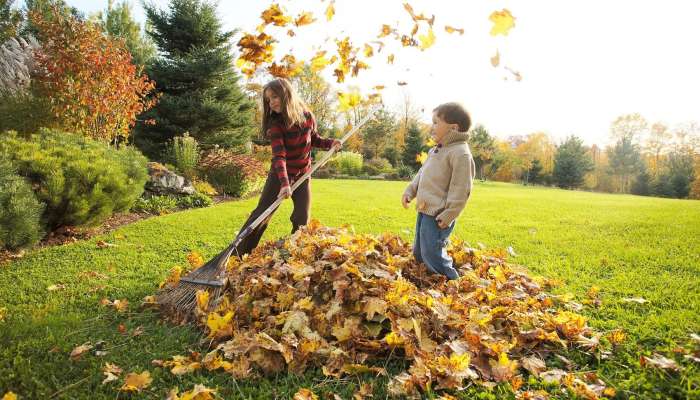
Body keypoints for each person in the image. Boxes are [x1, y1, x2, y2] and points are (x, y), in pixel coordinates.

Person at [234, 78, 341, 256]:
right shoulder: (275, 125)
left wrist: (331, 143)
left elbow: (314, 139)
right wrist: (284, 183)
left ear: (287, 94)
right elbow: (279, 157)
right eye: (268, 100)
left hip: (303, 173)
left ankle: (295, 254)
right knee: (262, 214)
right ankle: (238, 253)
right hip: (280, 174)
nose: (271, 103)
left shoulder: (307, 116)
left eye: (275, 97)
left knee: (302, 216)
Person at [401, 102, 476, 279]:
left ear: (453, 128)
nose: (431, 127)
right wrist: (410, 191)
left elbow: (461, 188)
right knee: (419, 250)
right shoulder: (435, 150)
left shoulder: (460, 154)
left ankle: (450, 280)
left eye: (436, 122)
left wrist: (450, 214)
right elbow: (422, 174)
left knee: (432, 252)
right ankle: (425, 277)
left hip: (439, 215)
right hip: (425, 208)